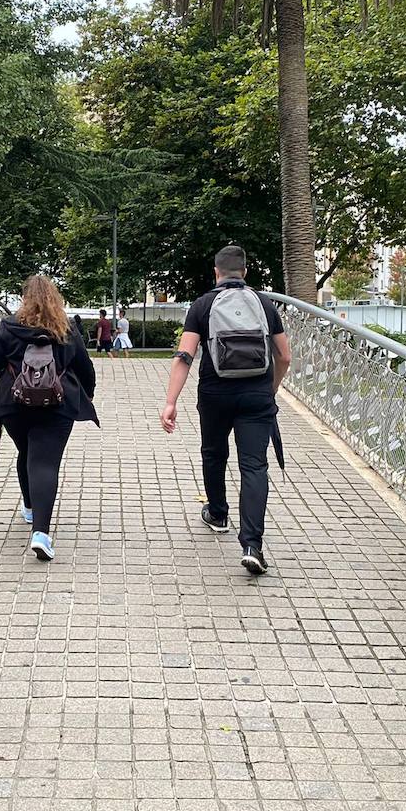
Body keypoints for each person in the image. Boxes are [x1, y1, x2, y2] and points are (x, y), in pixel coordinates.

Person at [159, 245, 291, 575]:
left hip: (215, 394)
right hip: (257, 396)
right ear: (245, 272)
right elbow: (285, 357)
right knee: (254, 467)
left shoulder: (202, 305)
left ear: (216, 272)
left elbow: (185, 356)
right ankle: (252, 545)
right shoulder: (264, 303)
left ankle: (217, 513)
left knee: (214, 453)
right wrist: (270, 390)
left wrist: (171, 401)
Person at [0, 275, 98, 561]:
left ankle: (31, 507)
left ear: (25, 298)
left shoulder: (8, 328)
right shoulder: (66, 328)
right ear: (55, 298)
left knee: (27, 452)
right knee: (44, 461)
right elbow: (85, 368)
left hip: (14, 405)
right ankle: (41, 533)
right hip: (57, 405)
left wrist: (11, 368)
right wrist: (88, 394)